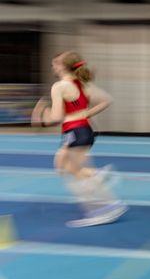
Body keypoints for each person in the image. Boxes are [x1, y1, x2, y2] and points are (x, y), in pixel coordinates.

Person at [32, 51, 126, 227]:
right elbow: (107, 100)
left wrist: (41, 116)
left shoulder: (59, 87)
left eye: (55, 63)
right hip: (83, 130)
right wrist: (84, 114)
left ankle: (101, 208)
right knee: (62, 165)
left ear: (61, 66)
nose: (52, 66)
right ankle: (99, 185)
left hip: (75, 132)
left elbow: (57, 116)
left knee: (76, 172)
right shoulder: (82, 84)